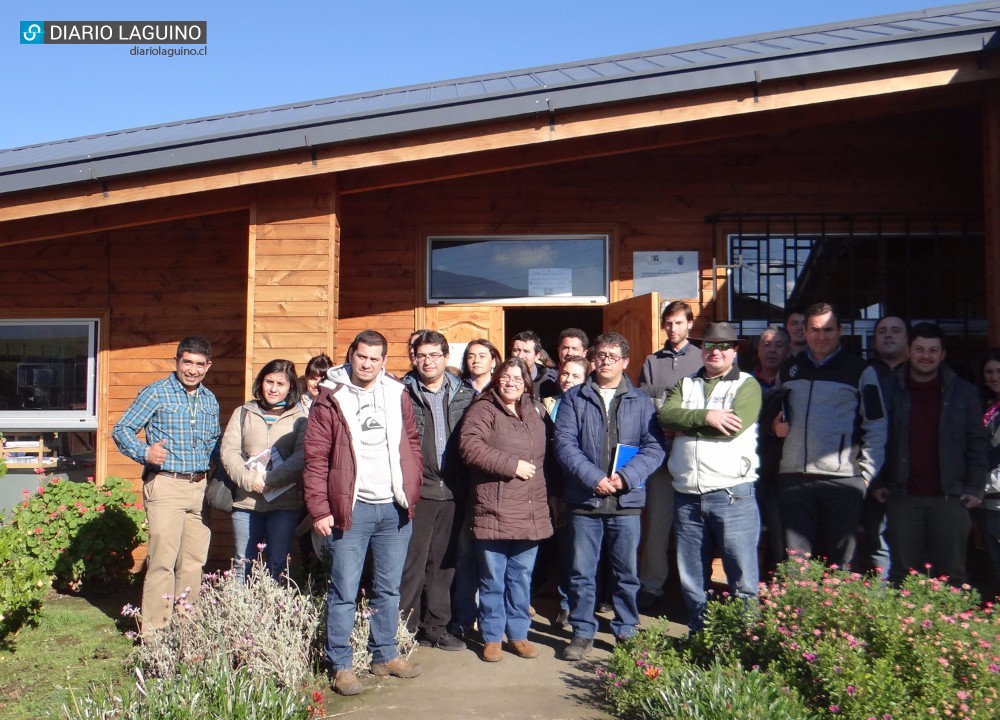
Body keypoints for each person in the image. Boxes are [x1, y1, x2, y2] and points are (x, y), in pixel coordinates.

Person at [303, 330, 423, 696]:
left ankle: (384, 654)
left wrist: (411, 485)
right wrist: (320, 508)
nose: (367, 364)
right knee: (344, 589)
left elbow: (412, 442)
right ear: (350, 356)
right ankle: (340, 664)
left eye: (374, 358)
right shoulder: (330, 397)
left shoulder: (397, 392)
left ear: (383, 360)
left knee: (387, 588)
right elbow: (315, 459)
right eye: (361, 357)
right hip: (350, 510)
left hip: (393, 508)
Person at [554, 332, 665, 661]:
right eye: (599, 356)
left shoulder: (641, 401)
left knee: (625, 572)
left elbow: (654, 447)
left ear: (625, 362)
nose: (604, 362)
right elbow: (564, 445)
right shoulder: (575, 397)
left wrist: (626, 478)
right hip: (585, 500)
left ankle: (626, 629)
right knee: (581, 572)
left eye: (612, 357)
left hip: (626, 503)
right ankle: (582, 632)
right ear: (592, 359)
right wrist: (594, 479)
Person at [112, 336, 220, 634]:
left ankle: (186, 628)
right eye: (187, 362)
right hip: (166, 485)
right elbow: (122, 429)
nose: (193, 370)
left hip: (200, 488)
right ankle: (155, 633)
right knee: (162, 561)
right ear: (177, 362)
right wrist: (144, 452)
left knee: (194, 562)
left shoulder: (210, 399)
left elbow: (215, 441)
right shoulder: (156, 393)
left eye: (200, 364)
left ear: (208, 366)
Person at [659, 322, 762, 630]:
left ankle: (746, 643)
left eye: (723, 346)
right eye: (708, 346)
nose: (714, 351)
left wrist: (685, 424)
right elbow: (665, 415)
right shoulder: (684, 384)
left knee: (742, 577)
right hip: (688, 496)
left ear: (735, 351)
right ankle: (700, 636)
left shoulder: (747, 385)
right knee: (692, 577)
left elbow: (733, 428)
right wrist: (707, 416)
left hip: (732, 494)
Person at [772, 302, 888, 567]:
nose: (820, 336)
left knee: (841, 561)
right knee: (796, 562)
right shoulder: (790, 368)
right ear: (804, 331)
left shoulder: (859, 370)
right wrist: (773, 426)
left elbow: (876, 423)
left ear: (840, 331)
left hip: (842, 480)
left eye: (827, 329)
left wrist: (866, 476)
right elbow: (774, 412)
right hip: (794, 478)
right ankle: (798, 608)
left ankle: (838, 608)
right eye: (814, 330)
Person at [871, 323, 987, 585]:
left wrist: (975, 486)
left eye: (933, 350)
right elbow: (873, 439)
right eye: (920, 349)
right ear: (909, 351)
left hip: (951, 498)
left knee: (952, 574)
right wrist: (876, 482)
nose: (926, 355)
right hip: (902, 496)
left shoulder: (964, 392)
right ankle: (904, 627)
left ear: (943, 354)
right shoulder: (886, 389)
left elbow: (977, 443)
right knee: (903, 574)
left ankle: (951, 626)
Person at [459, 357, 554, 662]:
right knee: (492, 577)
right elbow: (469, 448)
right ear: (497, 379)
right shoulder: (483, 408)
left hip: (529, 507)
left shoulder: (534, 412)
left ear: (527, 383)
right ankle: (491, 636)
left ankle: (518, 634)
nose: (510, 382)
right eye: (505, 377)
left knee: (521, 576)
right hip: (494, 507)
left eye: (517, 378)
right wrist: (511, 465)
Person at [400, 331, 475, 651]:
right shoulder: (401, 393)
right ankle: (404, 629)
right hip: (418, 491)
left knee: (444, 565)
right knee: (411, 563)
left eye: (434, 355)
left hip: (454, 490)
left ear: (446, 358)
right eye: (421, 355)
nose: (427, 361)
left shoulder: (465, 394)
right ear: (413, 359)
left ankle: (436, 627)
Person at [636, 300, 703, 611]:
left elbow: (704, 404)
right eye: (668, 323)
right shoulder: (652, 361)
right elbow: (643, 402)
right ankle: (651, 585)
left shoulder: (704, 358)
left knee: (692, 526)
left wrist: (673, 411)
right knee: (657, 527)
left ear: (689, 324)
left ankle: (694, 587)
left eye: (679, 323)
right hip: (660, 455)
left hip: (694, 456)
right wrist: (670, 414)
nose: (673, 328)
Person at [221, 359, 308, 581]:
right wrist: (250, 480)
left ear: (291, 387)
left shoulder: (301, 417)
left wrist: (272, 480)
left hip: (284, 504)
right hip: (246, 502)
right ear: (261, 382)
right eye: (269, 381)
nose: (274, 388)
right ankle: (240, 614)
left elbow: (302, 455)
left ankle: (273, 616)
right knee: (243, 564)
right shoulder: (243, 412)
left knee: (277, 565)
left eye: (281, 383)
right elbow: (229, 451)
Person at [860, 315, 909, 577]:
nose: (888, 335)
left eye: (895, 330)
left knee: (915, 550)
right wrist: (874, 480)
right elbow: (859, 429)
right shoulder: (864, 373)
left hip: (917, 483)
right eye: (882, 331)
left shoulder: (922, 373)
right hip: (875, 480)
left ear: (907, 338)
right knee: (879, 548)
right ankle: (884, 614)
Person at [752, 326, 791, 573]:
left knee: (780, 544)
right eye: (767, 344)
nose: (772, 350)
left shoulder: (795, 384)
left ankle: (775, 599)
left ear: (787, 350)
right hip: (749, 475)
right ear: (758, 350)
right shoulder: (744, 384)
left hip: (782, 477)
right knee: (749, 541)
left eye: (778, 345)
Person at [980, 348, 1000, 595]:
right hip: (988, 501)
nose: (994, 376)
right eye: (989, 372)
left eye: (999, 371)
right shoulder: (987, 409)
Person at [510, 330, 558, 399]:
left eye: (526, 351)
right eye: (516, 350)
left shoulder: (548, 384)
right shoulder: (502, 380)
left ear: (537, 356)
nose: (520, 356)